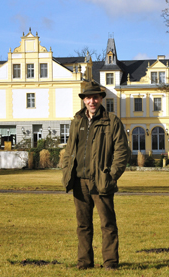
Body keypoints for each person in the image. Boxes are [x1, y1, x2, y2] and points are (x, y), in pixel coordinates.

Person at [61, 81, 130, 270]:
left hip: (101, 181)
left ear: (100, 99)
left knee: (108, 224)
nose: (92, 101)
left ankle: (110, 263)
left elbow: (122, 151)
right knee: (83, 225)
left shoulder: (112, 121)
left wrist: (111, 175)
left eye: (95, 97)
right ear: (84, 100)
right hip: (79, 181)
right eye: (88, 98)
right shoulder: (77, 121)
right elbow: (69, 150)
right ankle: (84, 263)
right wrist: (66, 169)